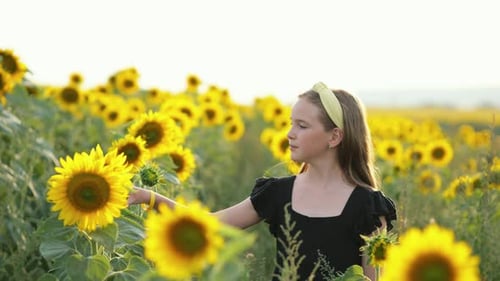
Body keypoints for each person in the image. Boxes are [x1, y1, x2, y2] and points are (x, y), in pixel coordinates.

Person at [128, 82, 397, 281]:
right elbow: (211, 224)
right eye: (291, 124)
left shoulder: (368, 207)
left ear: (334, 137)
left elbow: (372, 279)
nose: (290, 134)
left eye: (302, 126)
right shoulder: (278, 193)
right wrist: (149, 198)